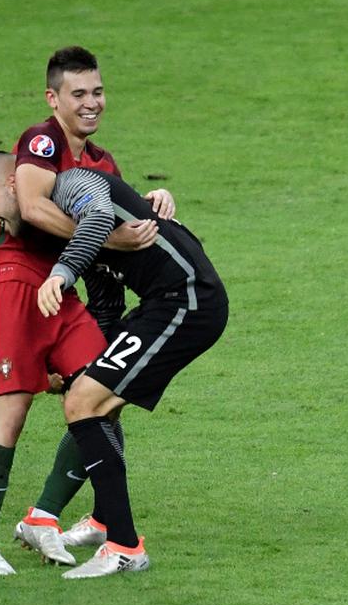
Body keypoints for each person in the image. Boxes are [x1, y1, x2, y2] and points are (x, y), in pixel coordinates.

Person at [7, 46, 178, 562]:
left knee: (101, 399)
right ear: (52, 98)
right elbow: (35, 208)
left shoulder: (102, 162)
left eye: (97, 92)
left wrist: (152, 203)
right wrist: (105, 236)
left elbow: (112, 215)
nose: (91, 103)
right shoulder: (41, 142)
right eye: (78, 93)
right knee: (20, 409)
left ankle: (63, 517)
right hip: (36, 290)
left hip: (85, 295)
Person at [26, 163, 228, 578]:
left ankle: (125, 547)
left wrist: (61, 275)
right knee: (91, 397)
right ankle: (104, 522)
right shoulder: (79, 229)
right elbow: (105, 306)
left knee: (85, 402)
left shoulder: (70, 185)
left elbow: (99, 217)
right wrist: (87, 366)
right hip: (165, 303)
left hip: (188, 301)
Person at [0, 152, 109, 574]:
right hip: (7, 287)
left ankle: (42, 517)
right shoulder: (40, 163)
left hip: (58, 288)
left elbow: (112, 201)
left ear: (13, 181)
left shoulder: (64, 166)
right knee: (11, 412)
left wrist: (158, 200)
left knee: (106, 394)